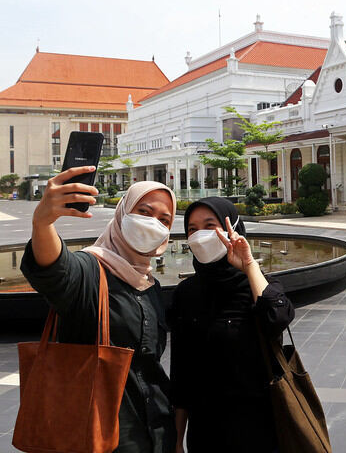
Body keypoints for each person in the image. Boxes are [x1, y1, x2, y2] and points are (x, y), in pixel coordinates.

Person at [22, 167, 177, 452]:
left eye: (164, 220)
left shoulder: (150, 285)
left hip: (156, 430)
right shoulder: (90, 270)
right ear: (122, 214)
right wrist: (42, 223)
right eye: (143, 211)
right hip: (97, 435)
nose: (153, 223)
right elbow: (55, 269)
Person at [170, 197, 294, 452]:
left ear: (232, 229)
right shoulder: (186, 293)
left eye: (209, 225)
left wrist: (249, 266)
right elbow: (182, 372)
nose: (199, 235)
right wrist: (177, 439)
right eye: (192, 229)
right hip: (205, 432)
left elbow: (277, 318)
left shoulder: (258, 287)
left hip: (259, 429)